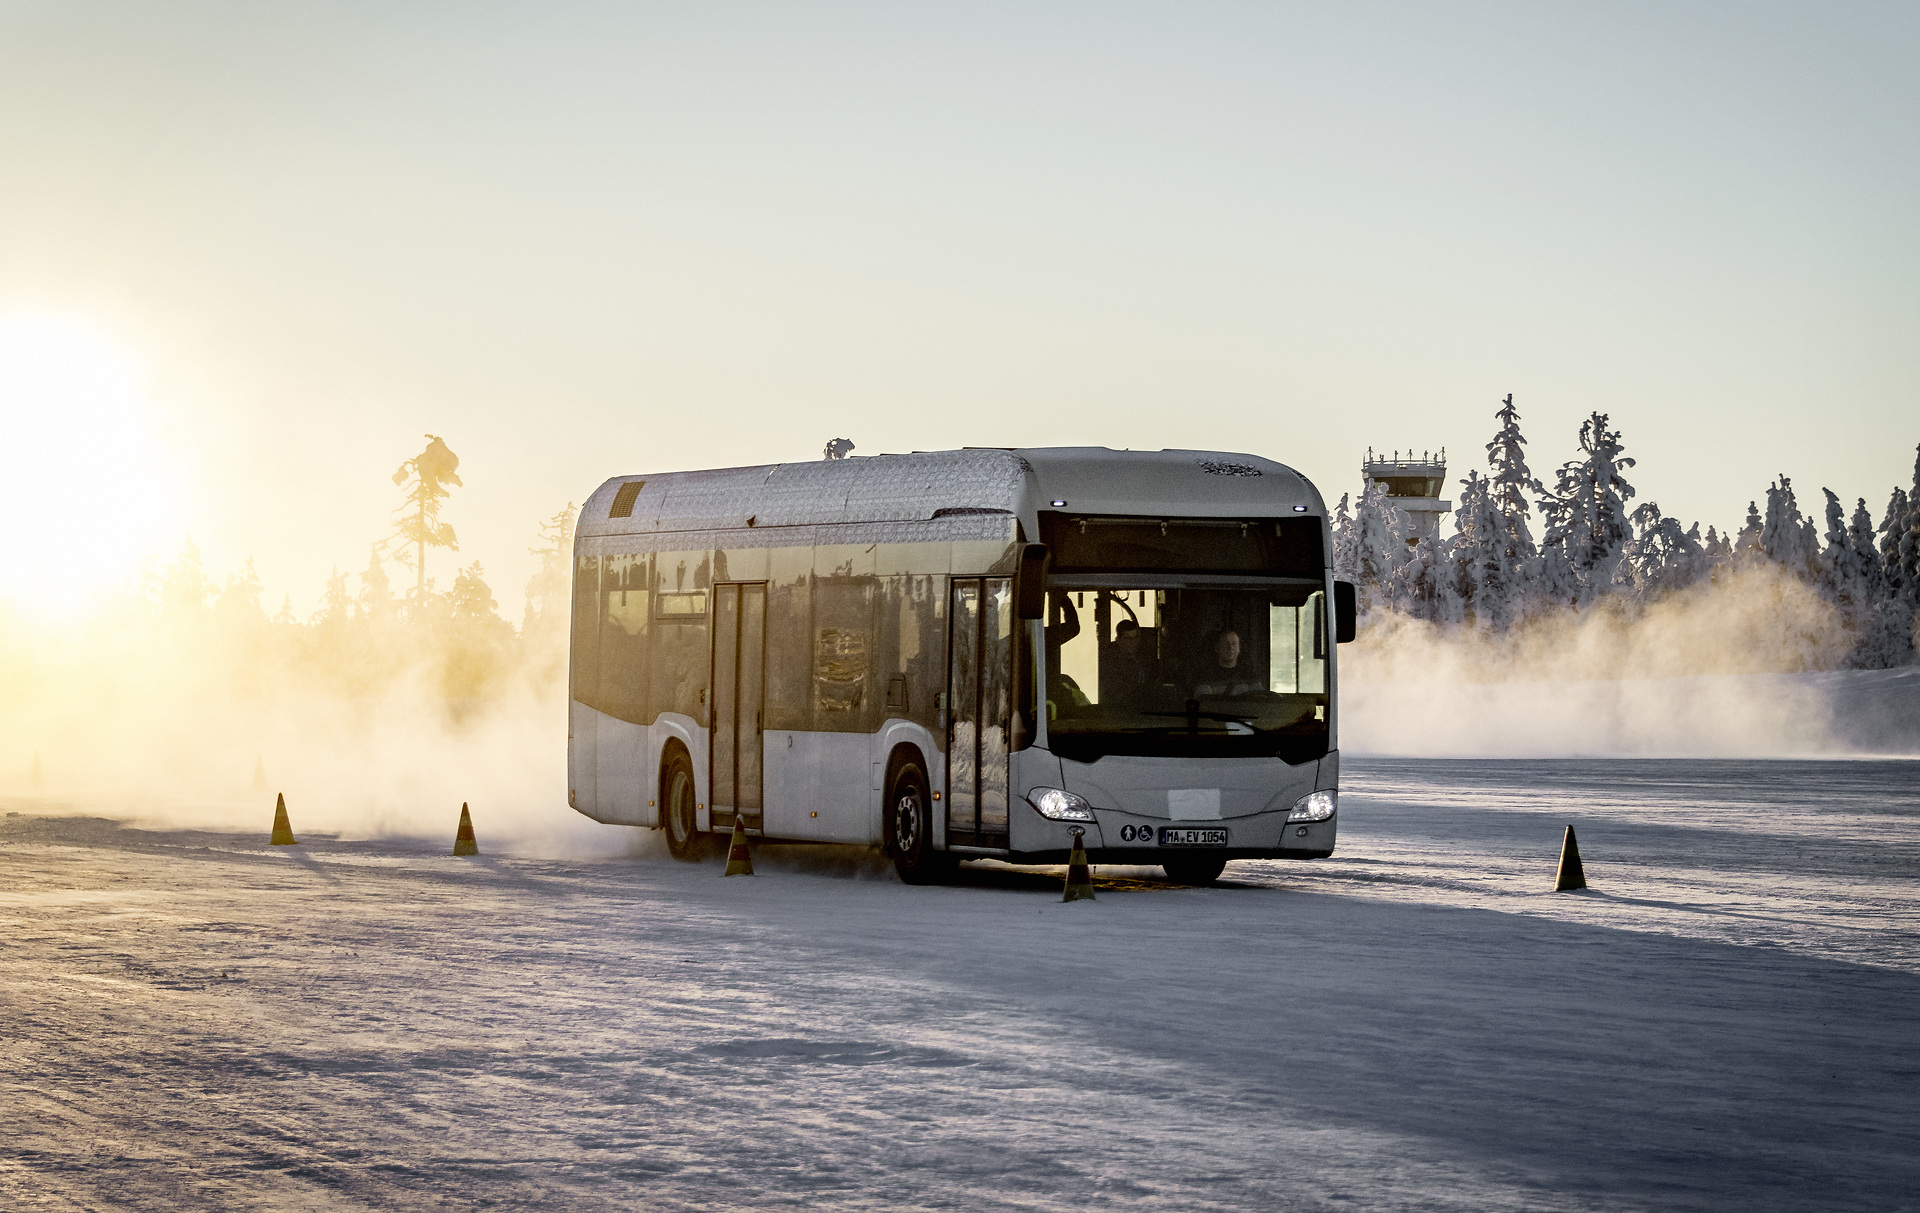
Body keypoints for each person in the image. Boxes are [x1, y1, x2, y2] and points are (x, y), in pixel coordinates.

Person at [1193, 628, 1259, 696]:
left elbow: (1260, 702)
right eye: (1225, 644)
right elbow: (1204, 703)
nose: (1230, 647)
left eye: (1234, 644)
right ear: (1217, 648)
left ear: (1239, 648)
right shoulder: (1206, 677)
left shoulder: (1249, 677)